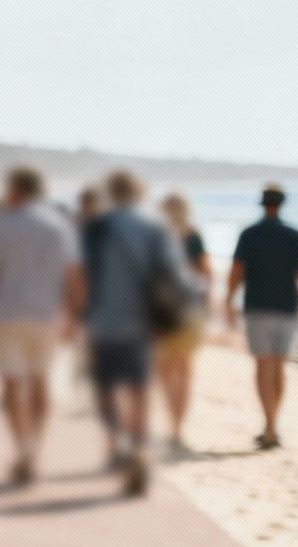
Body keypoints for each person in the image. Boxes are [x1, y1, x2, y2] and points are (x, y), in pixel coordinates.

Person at [0, 167, 84, 485]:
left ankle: (23, 448)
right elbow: (74, 276)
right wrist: (73, 315)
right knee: (39, 382)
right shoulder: (58, 226)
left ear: (15, 190)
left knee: (10, 385)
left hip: (7, 313)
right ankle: (34, 447)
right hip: (47, 315)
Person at [80, 170, 184, 496]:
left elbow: (81, 275)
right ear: (138, 193)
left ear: (111, 193)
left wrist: (74, 316)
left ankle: (115, 444)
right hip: (141, 324)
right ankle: (138, 447)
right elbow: (171, 275)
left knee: (105, 388)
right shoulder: (153, 229)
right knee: (140, 389)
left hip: (101, 321)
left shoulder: (96, 228)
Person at [226, 183, 298, 450]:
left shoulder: (249, 235)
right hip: (287, 310)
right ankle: (272, 426)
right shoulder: (295, 236)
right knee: (278, 368)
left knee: (263, 367)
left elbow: (236, 271)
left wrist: (229, 299)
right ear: (281, 204)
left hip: (257, 308)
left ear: (263, 204)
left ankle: (269, 426)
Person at [156, 192, 211, 452]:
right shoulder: (193, 237)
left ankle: (172, 424)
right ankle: (178, 427)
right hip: (189, 312)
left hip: (162, 313)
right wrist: (207, 310)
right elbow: (206, 275)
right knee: (185, 371)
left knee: (165, 372)